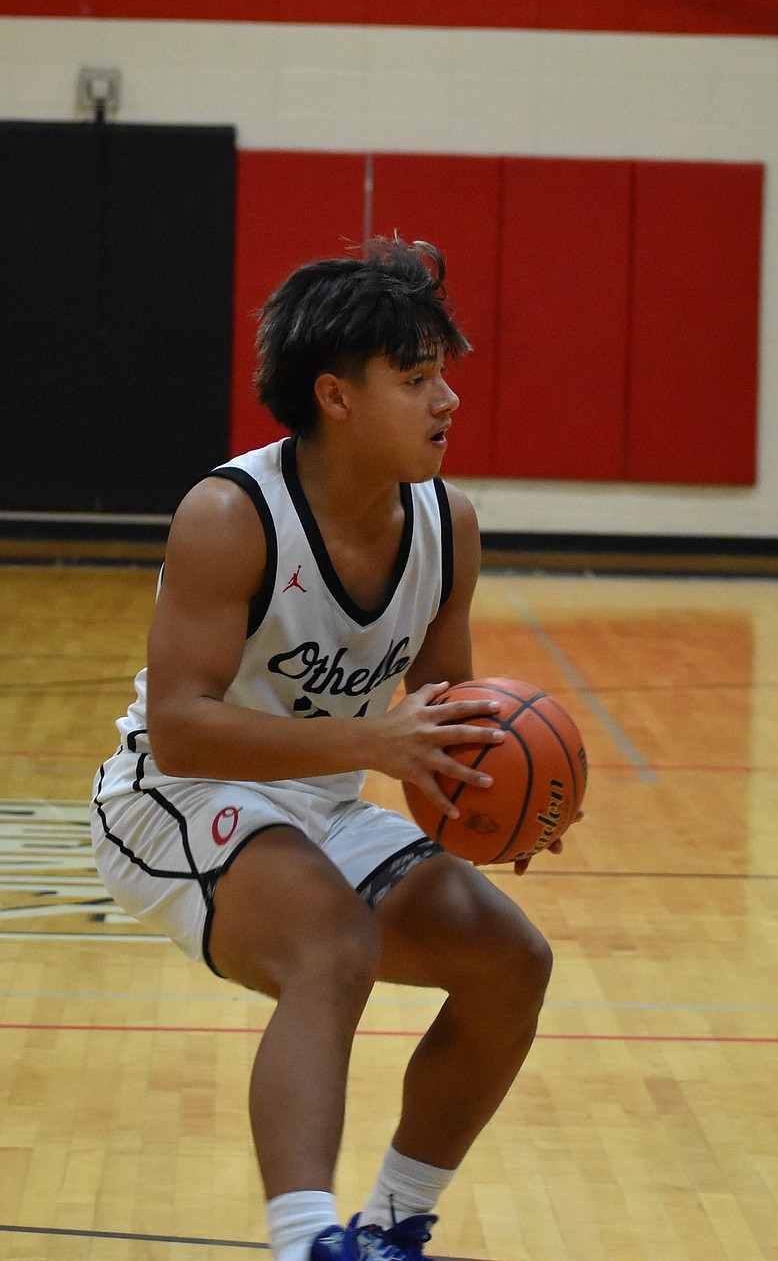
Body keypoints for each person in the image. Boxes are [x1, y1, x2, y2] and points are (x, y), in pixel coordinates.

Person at [90, 237, 569, 1261]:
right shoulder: (230, 515)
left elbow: (442, 722)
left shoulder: (450, 524)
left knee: (510, 961)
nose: (447, 401)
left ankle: (395, 1229)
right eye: (414, 379)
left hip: (314, 802)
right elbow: (180, 723)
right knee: (332, 943)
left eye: (444, 375)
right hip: (172, 797)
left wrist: (503, 802)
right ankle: (308, 1241)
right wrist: (372, 740)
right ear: (336, 397)